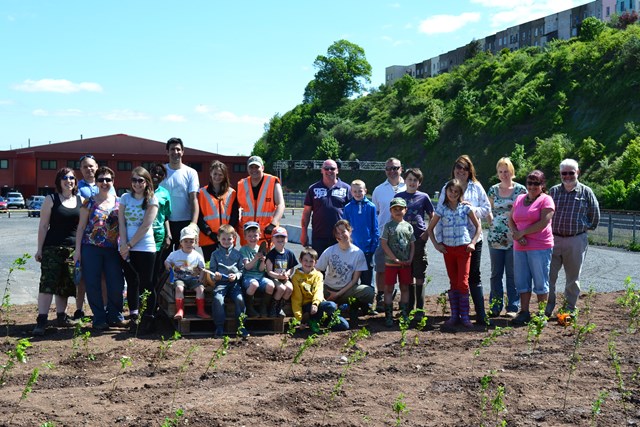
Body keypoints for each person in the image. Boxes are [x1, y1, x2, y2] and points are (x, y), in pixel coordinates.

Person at [437, 155, 491, 325]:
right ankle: (458, 315)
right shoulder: (447, 187)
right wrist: (438, 241)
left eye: (465, 168)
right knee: (456, 278)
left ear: (470, 171)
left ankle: (480, 314)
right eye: (458, 167)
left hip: (472, 239)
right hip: (451, 242)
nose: (461, 171)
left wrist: (470, 208)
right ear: (453, 169)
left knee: (473, 275)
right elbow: (439, 213)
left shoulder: (476, 187)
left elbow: (487, 209)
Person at [74, 166, 126, 331]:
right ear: (96, 182)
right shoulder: (88, 202)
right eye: (101, 179)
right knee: (93, 283)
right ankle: (99, 318)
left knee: (116, 283)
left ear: (113, 181)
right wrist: (77, 251)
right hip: (91, 248)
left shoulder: (119, 202)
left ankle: (115, 315)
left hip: (112, 249)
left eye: (108, 179)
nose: (104, 182)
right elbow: (81, 227)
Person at [547, 159, 600, 317]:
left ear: (578, 172)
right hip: (553, 239)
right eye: (564, 173)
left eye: (571, 172)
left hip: (576, 240)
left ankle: (569, 309)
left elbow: (595, 215)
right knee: (548, 276)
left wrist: (583, 230)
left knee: (573, 277)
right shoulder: (554, 191)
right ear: (560, 174)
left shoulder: (586, 192)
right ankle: (548, 308)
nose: (568, 176)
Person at [33, 168, 82, 335]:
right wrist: (39, 249)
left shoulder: (80, 200)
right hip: (52, 248)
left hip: (72, 249)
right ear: (59, 181)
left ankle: (61, 316)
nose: (69, 181)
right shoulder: (51, 199)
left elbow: (81, 228)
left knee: (65, 285)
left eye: (72, 178)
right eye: (65, 178)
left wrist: (79, 251)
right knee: (47, 284)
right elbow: (43, 226)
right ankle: (41, 320)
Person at [427, 179, 482, 329]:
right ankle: (454, 316)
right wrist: (436, 245)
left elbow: (478, 227)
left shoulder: (466, 209)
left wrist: (473, 243)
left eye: (456, 192)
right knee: (453, 281)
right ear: (446, 192)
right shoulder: (441, 209)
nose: (453, 194)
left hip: (464, 248)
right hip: (448, 249)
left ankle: (465, 316)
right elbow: (430, 229)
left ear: (460, 194)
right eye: (450, 191)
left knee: (463, 281)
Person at [508, 170, 555, 326]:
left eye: (537, 183)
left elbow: (544, 223)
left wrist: (523, 232)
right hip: (519, 246)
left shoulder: (546, 200)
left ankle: (541, 313)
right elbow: (511, 219)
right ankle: (524, 311)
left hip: (539, 246)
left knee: (541, 280)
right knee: (522, 280)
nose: (533, 186)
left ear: (542, 185)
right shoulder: (520, 198)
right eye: (530, 183)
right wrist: (517, 234)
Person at [118, 166, 159, 334]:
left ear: (147, 182)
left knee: (147, 284)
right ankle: (134, 316)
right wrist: (123, 245)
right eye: (134, 180)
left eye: (140, 180)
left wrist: (129, 245)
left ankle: (149, 316)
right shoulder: (125, 198)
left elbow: (145, 226)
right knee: (132, 282)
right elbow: (122, 223)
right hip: (127, 247)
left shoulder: (151, 200)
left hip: (145, 248)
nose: (137, 184)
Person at [75, 154, 114, 320]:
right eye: (85, 166)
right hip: (86, 238)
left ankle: (105, 308)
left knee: (104, 277)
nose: (88, 169)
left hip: (106, 241)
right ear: (81, 170)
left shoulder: (107, 185)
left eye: (91, 166)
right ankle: (79, 309)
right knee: (84, 277)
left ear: (97, 166)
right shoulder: (77, 187)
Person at [486, 158, 526, 318]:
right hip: (495, 237)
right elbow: (488, 210)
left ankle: (513, 306)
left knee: (512, 273)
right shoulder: (493, 190)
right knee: (496, 273)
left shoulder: (520, 190)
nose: (504, 174)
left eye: (506, 171)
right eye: (501, 171)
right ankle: (495, 306)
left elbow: (524, 211)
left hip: (513, 237)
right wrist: (492, 224)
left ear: (512, 172)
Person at [316, 220, 374, 325]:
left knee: (368, 292)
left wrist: (337, 294)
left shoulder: (358, 253)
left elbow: (355, 280)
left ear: (350, 231)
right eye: (337, 233)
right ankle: (324, 313)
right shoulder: (329, 251)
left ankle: (352, 308)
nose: (340, 235)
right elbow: (317, 271)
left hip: (346, 290)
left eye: (343, 232)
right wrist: (321, 290)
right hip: (328, 289)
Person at [395, 168, 434, 318]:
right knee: (407, 272)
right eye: (410, 179)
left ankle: (420, 308)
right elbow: (394, 215)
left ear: (419, 183)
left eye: (415, 180)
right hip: (403, 240)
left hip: (419, 239)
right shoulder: (399, 196)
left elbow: (433, 216)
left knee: (419, 271)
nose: (412, 182)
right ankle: (408, 306)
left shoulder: (424, 197)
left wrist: (427, 233)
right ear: (405, 180)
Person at [372, 158, 406, 311]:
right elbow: (377, 213)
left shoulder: (409, 186)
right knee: (381, 268)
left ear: (401, 169)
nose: (392, 171)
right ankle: (380, 296)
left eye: (395, 168)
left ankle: (405, 298)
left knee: (404, 268)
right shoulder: (378, 190)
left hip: (403, 237)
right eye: (388, 168)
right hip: (383, 236)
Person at [291, 247, 349, 333]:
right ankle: (311, 320)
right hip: (306, 306)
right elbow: (296, 298)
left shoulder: (318, 275)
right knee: (331, 306)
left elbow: (318, 291)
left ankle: (317, 320)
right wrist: (298, 318)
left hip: (318, 304)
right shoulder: (296, 277)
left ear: (316, 262)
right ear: (300, 260)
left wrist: (315, 304)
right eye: (305, 260)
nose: (308, 263)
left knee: (344, 325)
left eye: (311, 261)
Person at [300, 159, 351, 256]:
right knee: (319, 269)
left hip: (340, 236)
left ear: (337, 170)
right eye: (326, 168)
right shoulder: (313, 189)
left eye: (332, 168)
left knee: (338, 268)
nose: (329, 171)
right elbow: (306, 212)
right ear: (321, 170)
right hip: (319, 237)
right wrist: (304, 232)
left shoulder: (347, 189)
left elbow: (352, 214)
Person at [380, 198, 415, 327]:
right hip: (391, 263)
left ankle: (404, 314)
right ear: (391, 211)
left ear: (405, 210)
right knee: (389, 288)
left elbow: (412, 244)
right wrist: (393, 258)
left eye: (401, 209)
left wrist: (410, 259)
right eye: (395, 209)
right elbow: (384, 243)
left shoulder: (408, 226)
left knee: (405, 287)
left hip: (405, 263)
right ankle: (388, 315)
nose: (398, 211)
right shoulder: (388, 226)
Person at [208, 224, 246, 338]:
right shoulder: (214, 254)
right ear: (218, 238)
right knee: (217, 299)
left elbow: (242, 270)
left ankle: (241, 326)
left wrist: (236, 276)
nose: (226, 241)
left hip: (234, 284)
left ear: (234, 238)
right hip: (221, 284)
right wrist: (216, 276)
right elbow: (212, 271)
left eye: (229, 239)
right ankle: (219, 326)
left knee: (240, 299)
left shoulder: (238, 254)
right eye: (223, 239)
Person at [237, 155, 285, 246]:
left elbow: (281, 204)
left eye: (257, 167)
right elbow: (236, 208)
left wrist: (273, 224)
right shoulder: (241, 184)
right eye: (251, 167)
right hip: (247, 234)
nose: (254, 170)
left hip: (265, 233)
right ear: (247, 169)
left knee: (265, 259)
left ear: (262, 168)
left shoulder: (272, 181)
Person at [162, 137, 200, 251]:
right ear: (167, 152)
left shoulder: (191, 173)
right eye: (172, 149)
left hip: (185, 222)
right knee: (164, 262)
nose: (175, 152)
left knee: (183, 262)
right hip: (165, 222)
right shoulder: (161, 171)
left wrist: (193, 224)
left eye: (178, 149)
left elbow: (194, 199)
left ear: (183, 152)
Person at [164, 226, 210, 321]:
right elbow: (167, 261)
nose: (188, 244)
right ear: (181, 242)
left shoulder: (197, 255)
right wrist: (168, 265)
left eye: (191, 241)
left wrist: (201, 277)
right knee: (179, 288)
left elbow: (202, 268)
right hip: (179, 278)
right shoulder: (175, 254)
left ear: (195, 242)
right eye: (186, 241)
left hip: (193, 278)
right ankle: (180, 310)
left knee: (200, 289)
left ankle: (200, 310)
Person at [197, 160, 239, 261]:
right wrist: (210, 233)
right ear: (210, 173)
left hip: (227, 239)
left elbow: (234, 216)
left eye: (220, 174)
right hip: (208, 238)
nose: (217, 177)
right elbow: (199, 217)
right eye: (215, 174)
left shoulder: (232, 193)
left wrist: (227, 233)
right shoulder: (202, 193)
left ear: (224, 176)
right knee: (210, 268)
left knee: (227, 267)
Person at [343, 179, 378, 289]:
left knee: (367, 277)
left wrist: (373, 247)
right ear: (351, 192)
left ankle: (366, 302)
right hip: (352, 249)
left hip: (367, 249)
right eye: (355, 191)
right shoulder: (348, 208)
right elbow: (345, 228)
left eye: (360, 191)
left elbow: (375, 229)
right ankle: (351, 301)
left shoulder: (371, 207)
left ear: (365, 191)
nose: (357, 194)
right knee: (351, 277)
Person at [240, 221, 275, 317]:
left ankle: (263, 307)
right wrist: (255, 258)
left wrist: (263, 261)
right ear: (245, 236)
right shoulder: (243, 250)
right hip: (248, 277)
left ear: (259, 235)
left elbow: (260, 270)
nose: (252, 238)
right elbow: (247, 267)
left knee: (271, 285)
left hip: (260, 277)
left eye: (255, 235)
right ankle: (249, 308)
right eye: (250, 236)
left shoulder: (261, 248)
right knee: (254, 284)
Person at [265, 226, 297, 317]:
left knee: (289, 288)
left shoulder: (289, 253)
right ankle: (273, 308)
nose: (280, 239)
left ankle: (279, 307)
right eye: (277, 237)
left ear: (286, 239)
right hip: (274, 278)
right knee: (281, 288)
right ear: (273, 240)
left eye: (282, 237)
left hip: (284, 277)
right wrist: (278, 276)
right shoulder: (271, 254)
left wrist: (287, 273)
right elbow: (269, 271)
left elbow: (291, 267)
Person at [150, 163, 172, 291]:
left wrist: (168, 234)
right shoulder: (142, 190)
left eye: (160, 174)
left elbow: (166, 216)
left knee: (157, 268)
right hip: (143, 234)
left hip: (159, 234)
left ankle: (155, 298)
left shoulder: (165, 193)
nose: (156, 176)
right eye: (154, 172)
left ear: (163, 177)